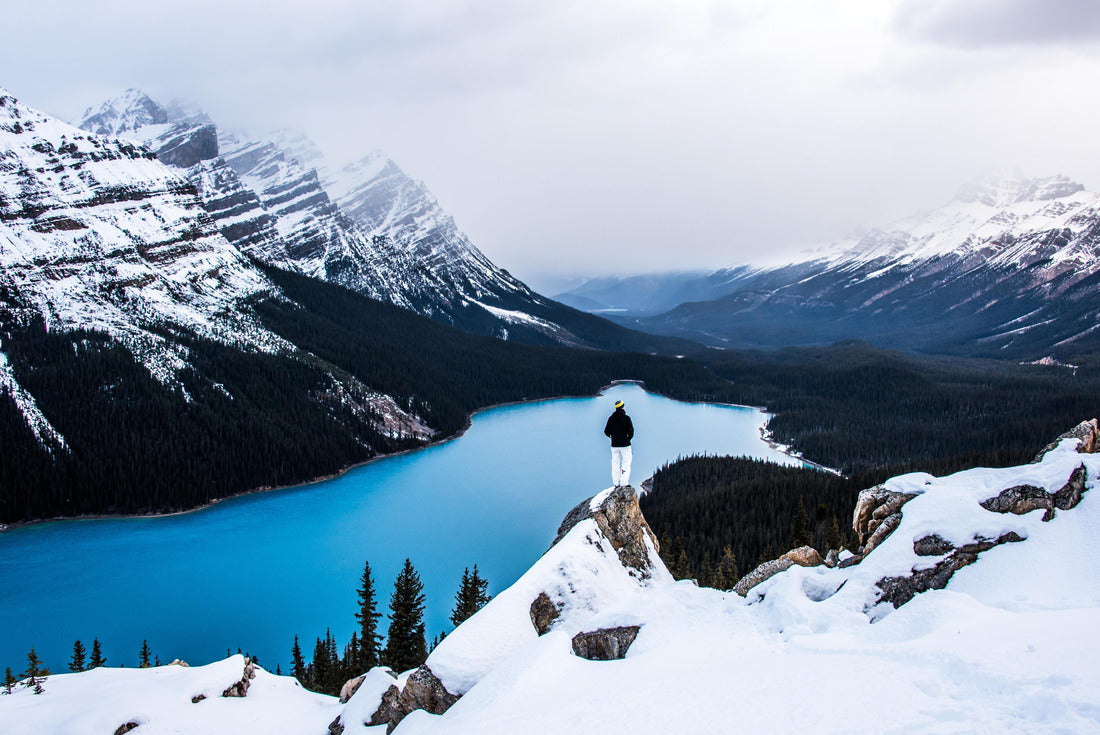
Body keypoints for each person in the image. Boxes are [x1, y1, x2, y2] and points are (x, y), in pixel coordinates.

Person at [603, 399, 634, 487]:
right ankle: (624, 483)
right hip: (625, 445)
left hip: (614, 445)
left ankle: (616, 483)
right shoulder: (627, 418)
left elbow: (606, 431)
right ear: (623, 407)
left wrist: (612, 437)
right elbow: (631, 431)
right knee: (626, 463)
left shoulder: (611, 418)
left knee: (615, 463)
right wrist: (627, 439)